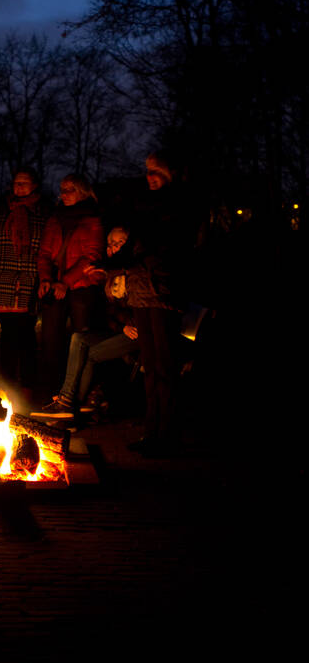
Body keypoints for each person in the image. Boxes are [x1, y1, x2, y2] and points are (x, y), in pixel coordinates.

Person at [123, 151, 191, 456]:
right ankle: (152, 431)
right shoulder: (144, 206)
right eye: (147, 172)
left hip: (162, 293)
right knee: (150, 367)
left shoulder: (178, 206)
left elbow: (170, 248)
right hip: (141, 291)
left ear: (170, 174)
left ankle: (168, 434)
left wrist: (143, 255)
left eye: (156, 172)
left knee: (164, 367)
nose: (150, 177)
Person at [31, 226, 138, 420]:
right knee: (79, 338)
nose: (114, 247)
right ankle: (68, 403)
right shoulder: (112, 273)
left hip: (138, 332)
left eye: (119, 243)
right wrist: (120, 324)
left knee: (88, 354)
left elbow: (140, 306)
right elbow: (109, 311)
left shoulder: (135, 271)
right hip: (121, 329)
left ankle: (69, 403)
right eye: (111, 244)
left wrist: (128, 324)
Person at [37, 174, 105, 394]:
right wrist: (46, 279)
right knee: (50, 341)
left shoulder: (93, 219)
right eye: (62, 189)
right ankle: (51, 392)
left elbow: (91, 256)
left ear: (82, 192)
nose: (64, 194)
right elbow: (45, 252)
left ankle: (82, 393)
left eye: (70, 190)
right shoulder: (55, 219)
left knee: (82, 342)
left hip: (82, 288)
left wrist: (65, 282)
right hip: (56, 285)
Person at [0, 167, 50, 398]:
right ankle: (8, 383)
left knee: (27, 336)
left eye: (24, 183)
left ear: (34, 186)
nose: (19, 187)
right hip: (4, 280)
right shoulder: (2, 211)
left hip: (29, 279)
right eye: (16, 183)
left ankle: (28, 384)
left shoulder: (42, 213)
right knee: (7, 336)